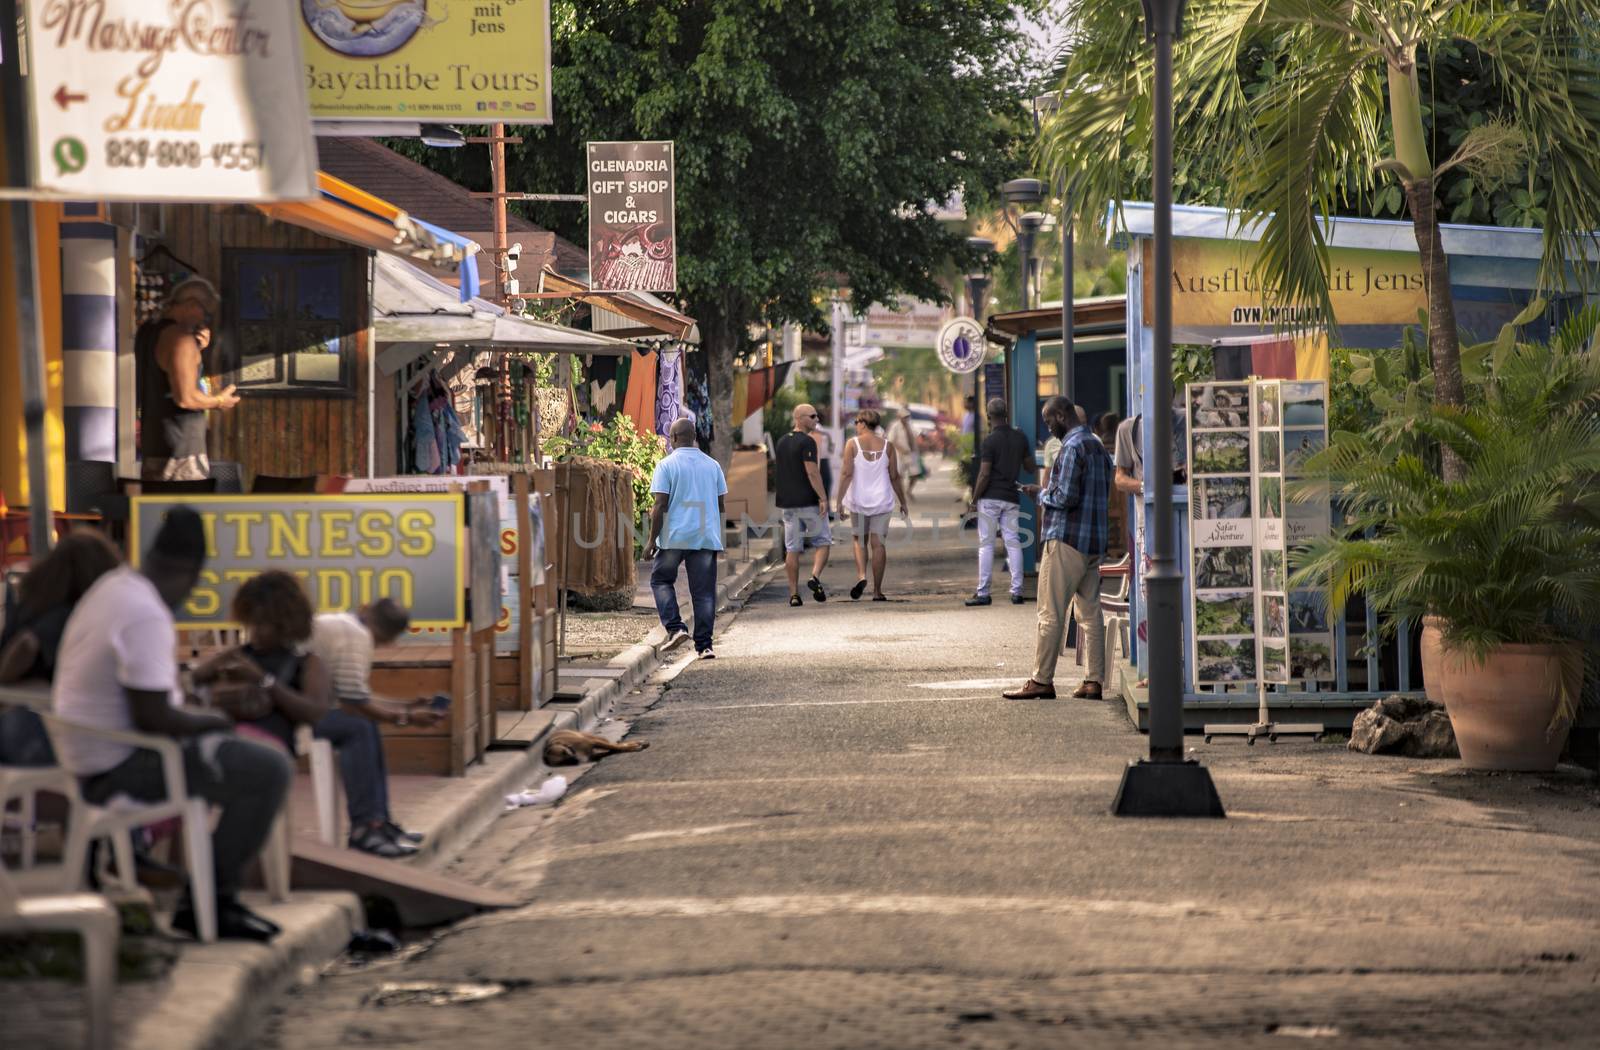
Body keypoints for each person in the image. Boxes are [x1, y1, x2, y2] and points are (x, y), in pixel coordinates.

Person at [53, 507, 290, 941]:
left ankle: (208, 898)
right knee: (268, 768)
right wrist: (213, 721)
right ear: (190, 573)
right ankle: (211, 904)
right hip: (117, 769)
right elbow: (155, 718)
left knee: (245, 757)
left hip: (90, 755)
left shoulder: (115, 588)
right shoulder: (147, 613)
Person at [305, 599, 447, 857]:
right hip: (296, 716)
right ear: (388, 636)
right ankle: (365, 828)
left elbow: (358, 695)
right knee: (358, 727)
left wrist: (406, 705)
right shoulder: (355, 636)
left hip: (306, 707)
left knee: (366, 723)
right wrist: (405, 718)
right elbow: (354, 701)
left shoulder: (345, 624)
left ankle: (379, 822)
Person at [1005, 396, 1113, 701]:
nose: (1048, 426)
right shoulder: (1098, 448)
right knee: (1090, 613)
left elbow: (1065, 497)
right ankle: (1093, 681)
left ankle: (1042, 679)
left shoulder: (1072, 448)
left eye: (1049, 419)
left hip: (1066, 540)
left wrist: (1040, 495)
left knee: (1050, 612)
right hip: (1093, 542)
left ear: (1063, 416)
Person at [0, 530, 123, 766]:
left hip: (17, 721)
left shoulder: (32, 599)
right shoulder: (67, 613)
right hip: (34, 727)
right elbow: (26, 645)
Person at [138, 278, 239, 481]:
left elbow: (164, 375)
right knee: (186, 512)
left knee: (155, 512)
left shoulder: (148, 331)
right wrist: (220, 401)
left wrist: (197, 351)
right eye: (206, 314)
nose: (204, 321)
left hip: (155, 447)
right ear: (192, 304)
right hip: (181, 453)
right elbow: (186, 398)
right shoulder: (180, 338)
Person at [646, 417, 728, 659]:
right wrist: (718, 536)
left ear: (672, 438)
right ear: (694, 437)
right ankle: (704, 646)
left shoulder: (666, 465)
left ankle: (675, 628)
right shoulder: (713, 465)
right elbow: (721, 505)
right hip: (704, 537)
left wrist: (651, 541)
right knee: (703, 593)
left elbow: (659, 505)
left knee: (660, 580)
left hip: (674, 537)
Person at [835, 408, 909, 602]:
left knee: (859, 541)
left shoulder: (852, 444)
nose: (855, 426)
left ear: (862, 423)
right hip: (882, 501)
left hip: (858, 500)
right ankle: (877, 591)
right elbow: (894, 476)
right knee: (878, 545)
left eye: (856, 422)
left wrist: (839, 501)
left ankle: (862, 576)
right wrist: (903, 502)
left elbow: (846, 473)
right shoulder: (888, 446)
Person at [965, 398, 1034, 606]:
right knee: (1012, 541)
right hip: (1011, 497)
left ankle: (984, 593)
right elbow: (1030, 467)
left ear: (988, 416)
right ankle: (1017, 591)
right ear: (1006, 414)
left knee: (986, 544)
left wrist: (974, 499)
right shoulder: (1019, 437)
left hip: (990, 498)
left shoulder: (990, 441)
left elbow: (984, 474)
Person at [775, 403, 833, 606]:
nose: (816, 420)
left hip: (788, 504)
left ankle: (794, 594)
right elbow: (812, 471)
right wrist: (823, 498)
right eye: (812, 416)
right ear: (799, 418)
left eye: (817, 416)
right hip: (808, 502)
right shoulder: (808, 442)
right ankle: (814, 577)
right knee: (823, 541)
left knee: (792, 548)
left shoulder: (781, 441)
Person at [887, 411, 921, 501]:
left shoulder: (910, 425)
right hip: (899, 454)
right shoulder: (895, 426)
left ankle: (908, 490)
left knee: (916, 474)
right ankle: (900, 494)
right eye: (904, 417)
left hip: (911, 453)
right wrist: (901, 449)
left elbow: (916, 436)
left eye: (907, 416)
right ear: (899, 417)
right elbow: (891, 440)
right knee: (899, 475)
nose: (906, 418)